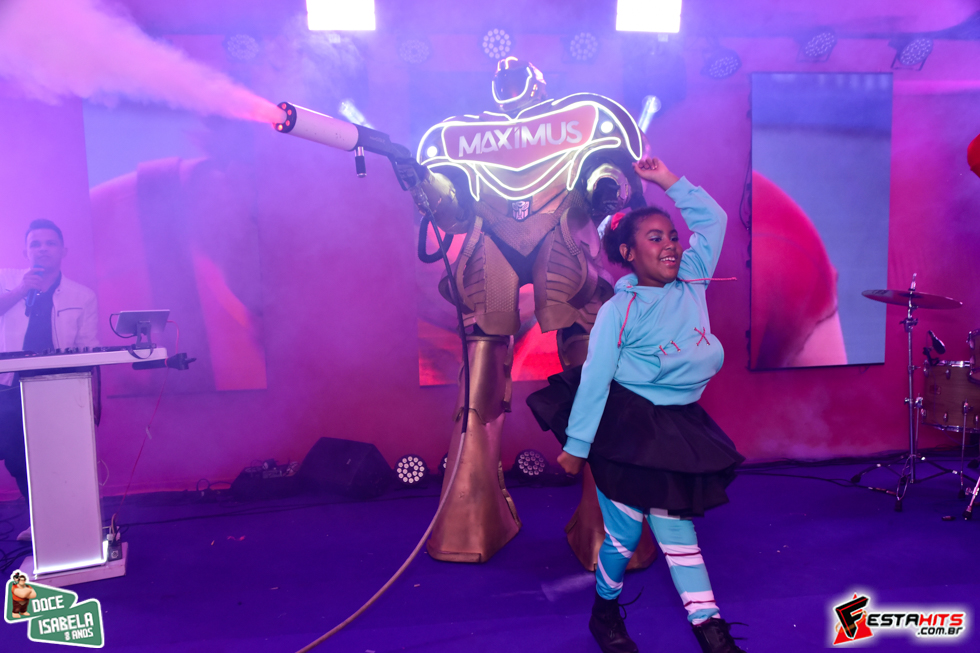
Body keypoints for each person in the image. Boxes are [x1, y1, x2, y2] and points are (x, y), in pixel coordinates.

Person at [398, 57, 650, 564]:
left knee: (591, 361)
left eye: (517, 79)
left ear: (536, 84)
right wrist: (427, 186)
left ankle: (604, 524)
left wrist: (606, 185)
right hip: (491, 237)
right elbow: (456, 211)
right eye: (503, 79)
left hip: (562, 231)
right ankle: (469, 519)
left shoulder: (581, 117)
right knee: (482, 371)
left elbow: (612, 174)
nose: (509, 84)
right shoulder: (464, 134)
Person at [527, 157, 746, 653]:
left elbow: (714, 220)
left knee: (674, 530)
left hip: (676, 428)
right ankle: (608, 614)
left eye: (673, 236)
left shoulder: (692, 278)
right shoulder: (619, 309)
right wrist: (577, 447)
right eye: (655, 237)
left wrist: (666, 180)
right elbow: (595, 379)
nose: (671, 245)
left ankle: (710, 634)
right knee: (624, 536)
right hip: (627, 428)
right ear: (627, 252)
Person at [0, 220, 99, 542]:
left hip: (59, 385)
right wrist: (20, 291)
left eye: (50, 243)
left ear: (63, 251)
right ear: (25, 251)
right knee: (17, 457)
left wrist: (85, 385)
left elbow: (87, 345)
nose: (42, 249)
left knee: (59, 456)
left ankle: (67, 521)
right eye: (35, 244)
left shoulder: (82, 295)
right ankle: (40, 520)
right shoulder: (6, 280)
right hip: (9, 385)